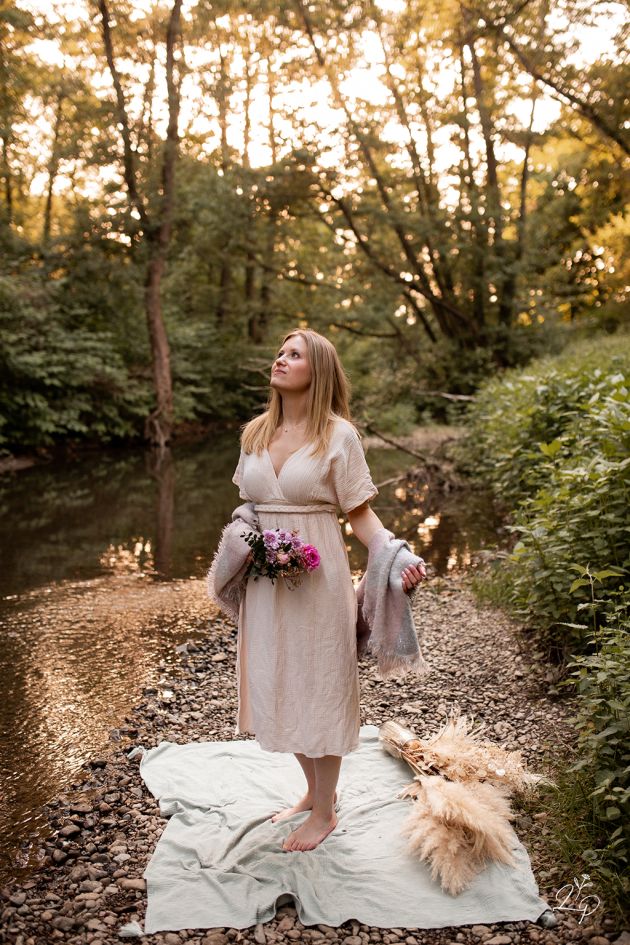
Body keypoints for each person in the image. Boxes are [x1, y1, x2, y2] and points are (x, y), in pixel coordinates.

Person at [231, 328, 426, 853]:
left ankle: (325, 809)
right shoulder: (254, 432)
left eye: (295, 354)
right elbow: (246, 506)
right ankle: (315, 792)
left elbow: (361, 516)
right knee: (276, 678)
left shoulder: (338, 436)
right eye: (280, 351)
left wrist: (398, 557)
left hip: (319, 579)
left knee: (320, 681)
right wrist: (241, 543)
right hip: (266, 578)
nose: (281, 358)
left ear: (317, 370)